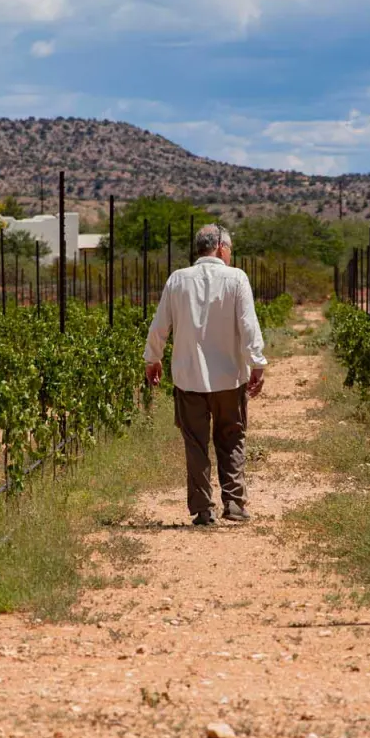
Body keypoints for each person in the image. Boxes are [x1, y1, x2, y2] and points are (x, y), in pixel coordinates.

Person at [143, 223, 267, 526]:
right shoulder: (236, 278)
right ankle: (235, 503)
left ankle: (202, 510)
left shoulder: (177, 280)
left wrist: (152, 358)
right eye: (230, 251)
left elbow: (160, 326)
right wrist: (257, 363)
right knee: (232, 438)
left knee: (195, 444)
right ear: (222, 249)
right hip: (229, 378)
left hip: (188, 378)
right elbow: (248, 324)